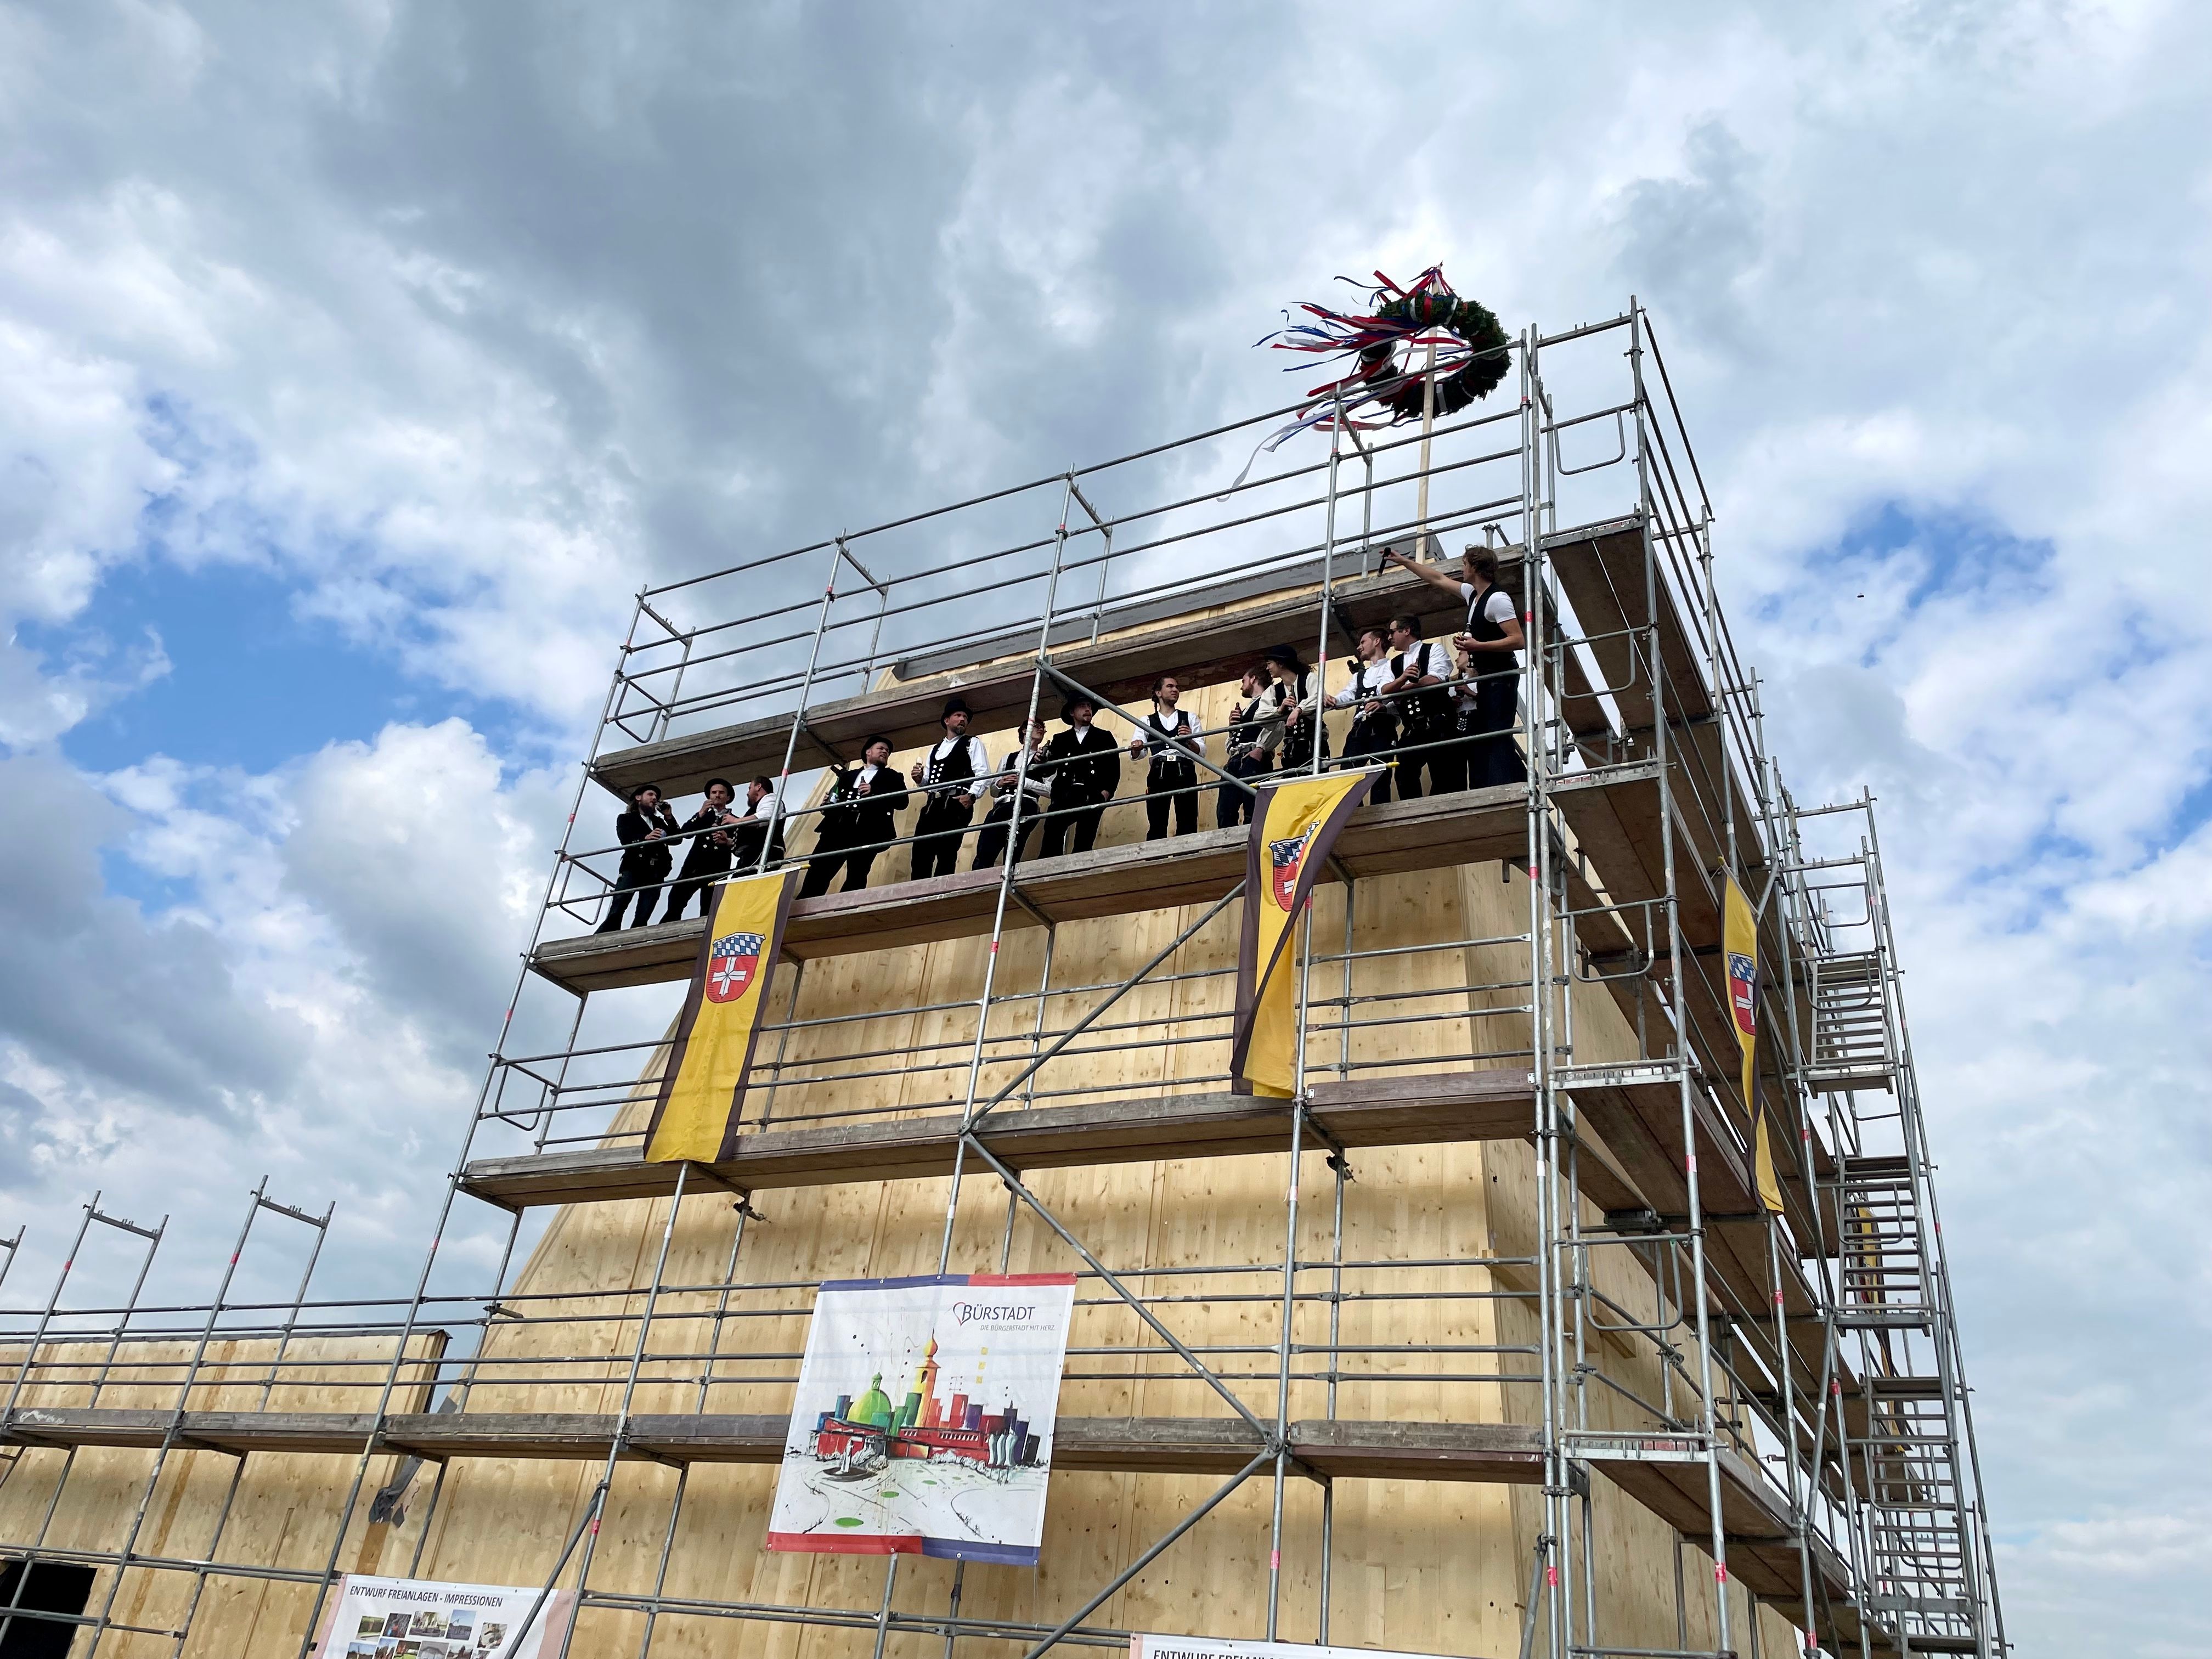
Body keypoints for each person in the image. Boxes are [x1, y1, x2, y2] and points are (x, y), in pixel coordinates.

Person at [1384, 543, 1526, 787]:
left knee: (1495, 733)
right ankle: (1488, 787)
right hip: (1486, 676)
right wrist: (1404, 562)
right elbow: (1437, 578)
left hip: (1500, 676)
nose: (1461, 568)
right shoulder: (1473, 594)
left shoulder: (1497, 599)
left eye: (1464, 564)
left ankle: (1508, 785)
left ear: (1475, 567)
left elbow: (1518, 640)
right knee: (1483, 734)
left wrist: (1476, 646)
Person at [798, 736, 908, 898]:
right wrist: (827, 805)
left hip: (867, 832)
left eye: (888, 750)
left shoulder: (892, 776)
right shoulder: (847, 776)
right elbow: (833, 804)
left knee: (857, 874)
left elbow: (902, 802)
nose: (885, 751)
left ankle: (844, 910)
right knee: (819, 869)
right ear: (868, 752)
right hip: (837, 830)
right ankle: (806, 905)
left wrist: (875, 792)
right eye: (881, 748)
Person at [907, 696, 991, 881]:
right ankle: (918, 895)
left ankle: (939, 894)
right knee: (921, 853)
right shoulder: (935, 749)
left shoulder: (972, 743)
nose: (963, 719)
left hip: (955, 803)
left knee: (947, 853)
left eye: (965, 717)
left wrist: (972, 796)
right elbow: (929, 783)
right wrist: (920, 780)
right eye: (958, 716)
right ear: (947, 721)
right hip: (932, 806)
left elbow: (983, 773)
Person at [1322, 626, 1404, 803]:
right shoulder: (1360, 676)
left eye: (1363, 642)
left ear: (1377, 642)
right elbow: (1347, 695)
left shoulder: (1394, 667)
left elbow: (1398, 695)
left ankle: (1379, 814)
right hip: (1360, 728)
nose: (1359, 647)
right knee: (1348, 773)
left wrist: (1384, 706)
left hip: (1383, 725)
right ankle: (1354, 813)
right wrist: (1333, 700)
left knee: (1380, 776)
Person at [1037, 692, 1120, 857]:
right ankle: (1049, 867)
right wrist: (1041, 760)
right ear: (1072, 712)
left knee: (1085, 835)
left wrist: (1105, 793)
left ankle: (1079, 871)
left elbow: (1113, 768)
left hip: (1092, 792)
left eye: (1089, 706)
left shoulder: (1104, 736)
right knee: (1053, 826)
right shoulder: (1060, 739)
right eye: (1082, 706)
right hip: (1065, 792)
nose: (1088, 709)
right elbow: (1048, 770)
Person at [1380, 614, 1452, 797]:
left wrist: (1406, 687)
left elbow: (1436, 678)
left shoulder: (1433, 649)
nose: (1389, 637)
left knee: (1443, 774)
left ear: (1407, 631)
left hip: (1437, 723)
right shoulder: (1394, 663)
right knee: (1404, 774)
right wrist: (1404, 678)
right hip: (1412, 728)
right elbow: (1385, 690)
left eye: (1392, 632)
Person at [658, 777, 743, 924]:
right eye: (714, 792)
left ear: (728, 798)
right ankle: (665, 932)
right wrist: (701, 813)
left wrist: (726, 841)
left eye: (721, 793)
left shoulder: (735, 820)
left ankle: (704, 937)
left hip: (717, 868)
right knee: (676, 900)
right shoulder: (703, 816)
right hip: (694, 866)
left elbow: (738, 846)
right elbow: (686, 833)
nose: (717, 795)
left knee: (709, 908)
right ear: (709, 796)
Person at [596, 783, 679, 931]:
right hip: (633, 867)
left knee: (645, 912)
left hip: (656, 871)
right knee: (618, 907)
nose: (654, 798)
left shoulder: (659, 821)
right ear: (638, 797)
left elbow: (677, 839)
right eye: (651, 795)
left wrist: (669, 816)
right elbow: (625, 839)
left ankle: (635, 939)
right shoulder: (626, 818)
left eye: (656, 797)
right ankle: (605, 937)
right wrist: (645, 838)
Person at [972, 715, 1051, 870]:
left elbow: (1050, 790)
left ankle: (1009, 876)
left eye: (1043, 728)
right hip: (1002, 805)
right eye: (1037, 725)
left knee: (1014, 846)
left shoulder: (1046, 761)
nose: (1041, 729)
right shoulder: (1007, 758)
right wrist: (1001, 783)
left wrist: (1023, 782)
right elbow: (994, 791)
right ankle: (980, 879)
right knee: (985, 848)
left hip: (1026, 804)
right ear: (1024, 730)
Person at [1127, 674, 1200, 840]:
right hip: (1159, 770)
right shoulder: (1146, 720)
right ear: (1158, 693)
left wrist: (1189, 741)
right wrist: (1137, 747)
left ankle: (1186, 859)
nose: (1175, 690)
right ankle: (1155, 861)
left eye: (1177, 687)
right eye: (1170, 686)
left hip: (1185, 768)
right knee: (1157, 820)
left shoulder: (1190, 717)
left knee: (1188, 820)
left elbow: (1201, 751)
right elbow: (1137, 753)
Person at [1216, 665, 1274, 828]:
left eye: (1244, 680)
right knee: (1225, 809)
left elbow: (1276, 726)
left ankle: (1252, 842)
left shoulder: (1268, 700)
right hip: (1236, 759)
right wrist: (1232, 728)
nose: (1242, 685)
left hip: (1253, 758)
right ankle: (1227, 845)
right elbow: (1233, 742)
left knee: (1253, 807)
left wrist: (1260, 749)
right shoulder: (1249, 706)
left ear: (1254, 679)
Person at [1259, 643, 1328, 775]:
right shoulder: (1274, 690)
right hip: (1291, 749)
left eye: (1269, 663)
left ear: (1280, 663)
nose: (1268, 668)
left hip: (1314, 745)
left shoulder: (1308, 678)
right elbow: (1259, 715)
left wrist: (1299, 709)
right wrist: (1279, 710)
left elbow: (1320, 697)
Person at [725, 775, 787, 872]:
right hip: (754, 854)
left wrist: (736, 821)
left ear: (758, 786)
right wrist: (728, 841)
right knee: (739, 881)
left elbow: (766, 817)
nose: (747, 793)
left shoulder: (770, 798)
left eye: (750, 788)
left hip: (765, 852)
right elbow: (753, 837)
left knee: (742, 882)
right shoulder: (759, 806)